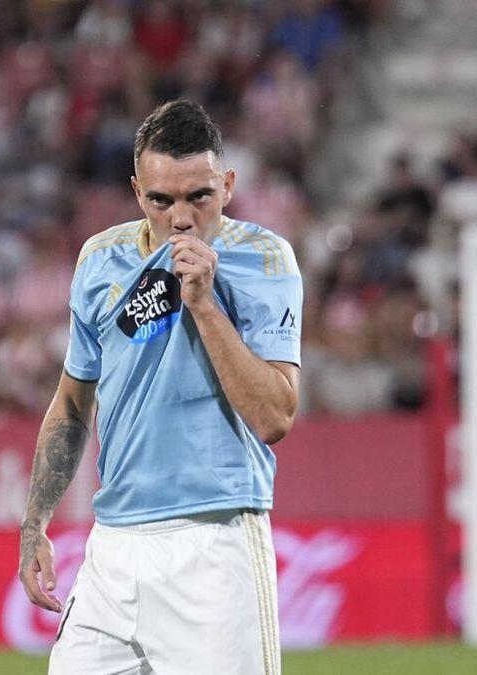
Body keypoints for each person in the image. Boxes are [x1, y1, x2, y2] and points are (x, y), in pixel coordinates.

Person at [18, 99, 303, 674]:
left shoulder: (264, 261)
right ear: (135, 191)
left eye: (198, 196)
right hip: (114, 546)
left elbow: (276, 415)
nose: (180, 217)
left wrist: (202, 302)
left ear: (227, 184)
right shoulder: (100, 260)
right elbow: (73, 406)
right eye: (161, 199)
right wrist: (34, 523)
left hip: (214, 542)